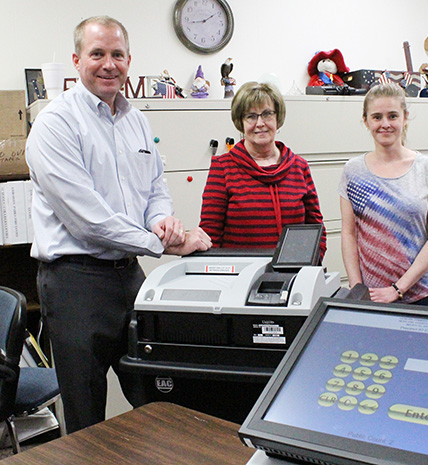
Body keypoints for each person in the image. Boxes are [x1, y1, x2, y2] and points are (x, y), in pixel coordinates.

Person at [25, 16, 211, 433]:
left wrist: (161, 220)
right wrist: (160, 244)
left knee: (159, 397)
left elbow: (154, 187)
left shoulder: (136, 120)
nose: (108, 64)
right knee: (87, 412)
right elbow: (88, 221)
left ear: (129, 61)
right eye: (97, 54)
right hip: (76, 284)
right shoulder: (56, 124)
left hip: (129, 277)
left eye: (117, 55)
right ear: (77, 60)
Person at [338, 83, 428, 306]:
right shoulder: (353, 171)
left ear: (405, 117)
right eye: (377, 117)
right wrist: (356, 288)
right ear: (366, 121)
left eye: (392, 116)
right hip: (370, 297)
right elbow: (348, 234)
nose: (385, 124)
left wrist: (397, 289)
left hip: (421, 296)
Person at [200, 81, 326, 258]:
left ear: (277, 118)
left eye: (267, 114)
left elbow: (316, 229)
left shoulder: (299, 167)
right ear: (241, 122)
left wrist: (308, 264)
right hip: (240, 278)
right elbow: (209, 236)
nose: (260, 123)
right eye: (251, 116)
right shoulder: (223, 168)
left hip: (293, 275)